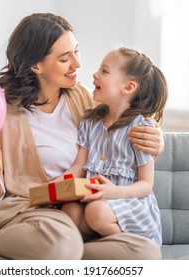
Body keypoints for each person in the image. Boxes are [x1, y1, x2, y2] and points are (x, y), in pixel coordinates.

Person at [0, 12, 164, 260]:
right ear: (37, 66)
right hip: (34, 213)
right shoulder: (0, 112)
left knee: (147, 253)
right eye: (65, 58)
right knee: (61, 241)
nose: (77, 64)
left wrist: (157, 137)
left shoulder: (84, 99)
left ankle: (65, 255)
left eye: (76, 52)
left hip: (78, 213)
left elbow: (124, 115)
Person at [59, 47, 167, 247]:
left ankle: (134, 249)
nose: (95, 74)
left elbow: (146, 184)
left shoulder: (140, 128)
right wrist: (54, 188)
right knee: (69, 211)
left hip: (129, 201)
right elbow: (79, 166)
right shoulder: (90, 122)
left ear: (128, 87)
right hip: (95, 200)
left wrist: (113, 192)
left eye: (104, 71)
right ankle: (98, 248)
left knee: (96, 211)